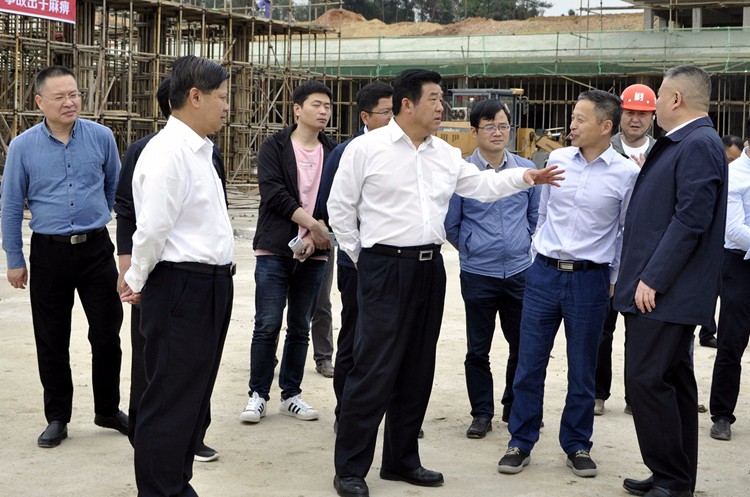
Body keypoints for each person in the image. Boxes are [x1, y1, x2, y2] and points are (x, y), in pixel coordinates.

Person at [327, 68, 564, 497]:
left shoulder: (444, 154)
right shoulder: (366, 149)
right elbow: (340, 208)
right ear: (407, 104)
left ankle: (401, 460)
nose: (443, 107)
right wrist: (362, 257)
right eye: (435, 99)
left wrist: (525, 177)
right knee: (374, 367)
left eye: (443, 99)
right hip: (383, 266)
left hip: (429, 267)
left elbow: (482, 185)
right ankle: (350, 467)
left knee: (418, 367)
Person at [497, 90, 639, 478]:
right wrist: (536, 256)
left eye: (580, 119)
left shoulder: (626, 174)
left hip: (591, 281)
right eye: (572, 117)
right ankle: (520, 440)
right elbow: (542, 214)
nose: (571, 125)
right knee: (529, 363)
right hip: (543, 275)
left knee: (582, 369)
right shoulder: (556, 160)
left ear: (606, 126)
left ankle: (577, 444)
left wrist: (612, 278)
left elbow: (625, 231)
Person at [119, 55, 235, 497]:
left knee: (193, 396)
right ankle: (160, 490)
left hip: (211, 284)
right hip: (181, 285)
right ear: (195, 97)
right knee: (169, 398)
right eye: (222, 97)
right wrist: (137, 278)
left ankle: (176, 482)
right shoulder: (168, 152)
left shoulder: (201, 150)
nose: (227, 106)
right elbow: (152, 228)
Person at [614, 65, 727, 497]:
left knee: (646, 379)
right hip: (664, 290)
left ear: (676, 99)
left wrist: (653, 279)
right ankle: (674, 476)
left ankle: (671, 477)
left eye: (660, 95)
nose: (655, 103)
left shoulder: (697, 143)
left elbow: (690, 220)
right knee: (673, 381)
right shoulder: (687, 141)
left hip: (665, 293)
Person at [1, 65, 127, 448]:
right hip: (48, 253)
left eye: (74, 94)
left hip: (96, 250)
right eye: (60, 97)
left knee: (107, 333)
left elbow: (115, 188)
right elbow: (10, 206)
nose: (69, 102)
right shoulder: (23, 147)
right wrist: (14, 258)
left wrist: (97, 216)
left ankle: (108, 409)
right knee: (51, 338)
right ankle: (57, 417)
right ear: (40, 102)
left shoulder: (102, 137)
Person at [240, 80, 335, 424]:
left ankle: (291, 394)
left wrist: (316, 234)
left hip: (316, 253)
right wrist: (313, 226)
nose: (324, 111)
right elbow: (274, 194)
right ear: (297, 109)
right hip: (275, 249)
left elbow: (338, 198)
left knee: (300, 326)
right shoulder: (275, 146)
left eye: (328, 106)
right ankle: (257, 394)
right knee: (267, 324)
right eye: (316, 104)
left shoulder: (333, 152)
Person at [444, 99, 540, 438]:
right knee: (478, 349)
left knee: (522, 345)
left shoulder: (526, 169)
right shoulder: (463, 173)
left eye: (502, 126)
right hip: (478, 274)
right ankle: (481, 413)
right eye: (489, 126)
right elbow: (451, 225)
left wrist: (520, 242)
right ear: (474, 131)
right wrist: (473, 249)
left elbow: (534, 216)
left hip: (519, 271)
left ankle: (515, 407)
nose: (497, 132)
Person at [316, 80, 395, 430]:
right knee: (355, 335)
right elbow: (329, 206)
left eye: (396, 111)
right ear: (365, 116)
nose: (392, 119)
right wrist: (356, 251)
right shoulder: (346, 152)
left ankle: (390, 410)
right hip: (358, 262)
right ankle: (345, 411)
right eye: (386, 112)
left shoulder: (405, 150)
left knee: (392, 339)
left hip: (396, 263)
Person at [595, 83, 657, 416]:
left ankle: (636, 396)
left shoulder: (662, 152)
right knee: (602, 330)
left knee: (640, 332)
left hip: (644, 258)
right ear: (620, 114)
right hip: (607, 255)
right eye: (630, 112)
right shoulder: (604, 147)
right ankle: (598, 393)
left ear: (652, 117)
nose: (635, 119)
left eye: (643, 114)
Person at [707, 139, 750, 442]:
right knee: (731, 342)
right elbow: (733, 229)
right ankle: (722, 414)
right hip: (739, 264)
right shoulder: (734, 175)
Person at [311, 253, 336, 378]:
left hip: (322, 248)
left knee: (322, 302)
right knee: (274, 305)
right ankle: (267, 357)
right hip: (282, 247)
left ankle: (324, 357)